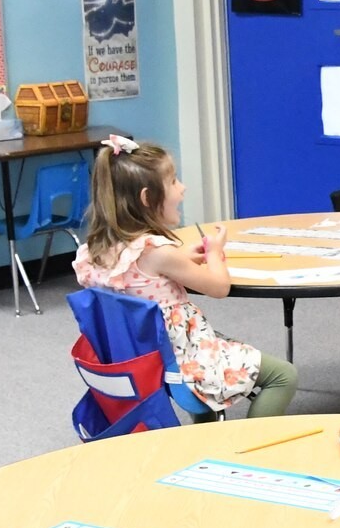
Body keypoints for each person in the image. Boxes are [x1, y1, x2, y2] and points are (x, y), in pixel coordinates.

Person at [72, 135, 296, 419]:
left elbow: (141, 279)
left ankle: (204, 439)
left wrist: (181, 259)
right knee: (283, 376)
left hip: (140, 358)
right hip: (184, 358)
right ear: (147, 198)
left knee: (211, 384)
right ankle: (248, 445)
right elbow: (219, 287)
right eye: (174, 181)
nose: (182, 187)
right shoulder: (159, 253)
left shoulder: (97, 252)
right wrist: (215, 253)